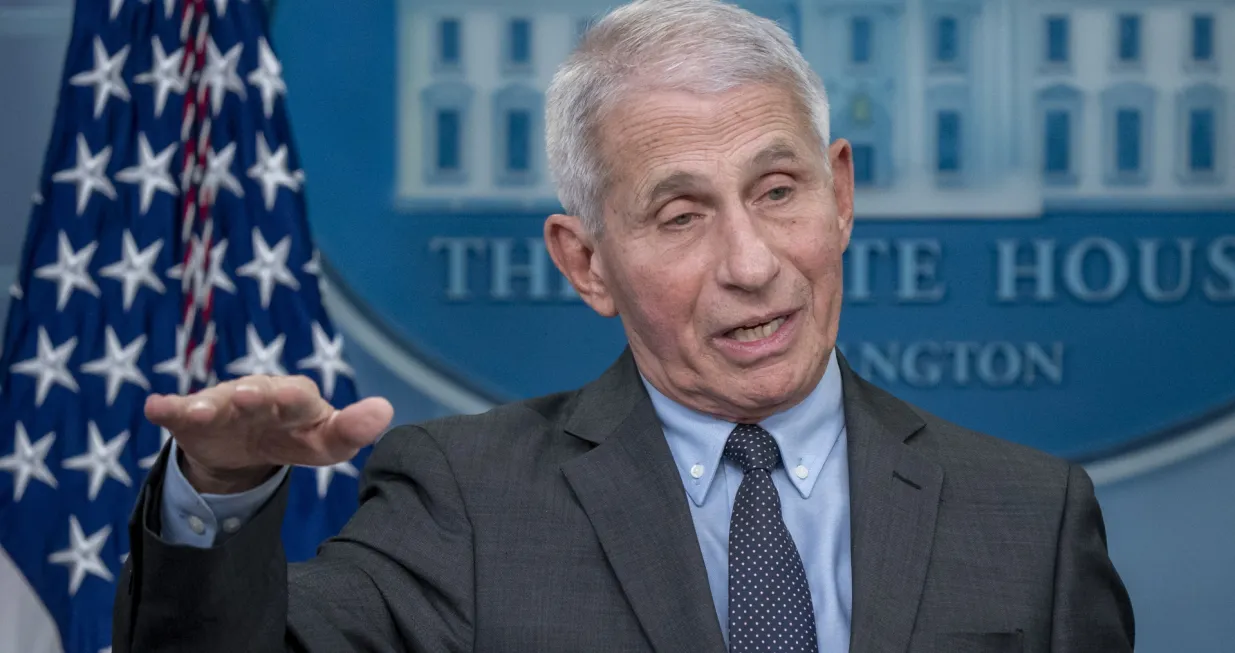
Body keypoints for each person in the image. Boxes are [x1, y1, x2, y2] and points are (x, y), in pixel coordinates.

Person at [113, 1, 1135, 651]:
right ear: (585, 261)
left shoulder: (1030, 516)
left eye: (776, 190)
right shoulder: (461, 501)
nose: (750, 262)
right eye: (680, 215)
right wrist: (225, 496)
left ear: (839, 196)